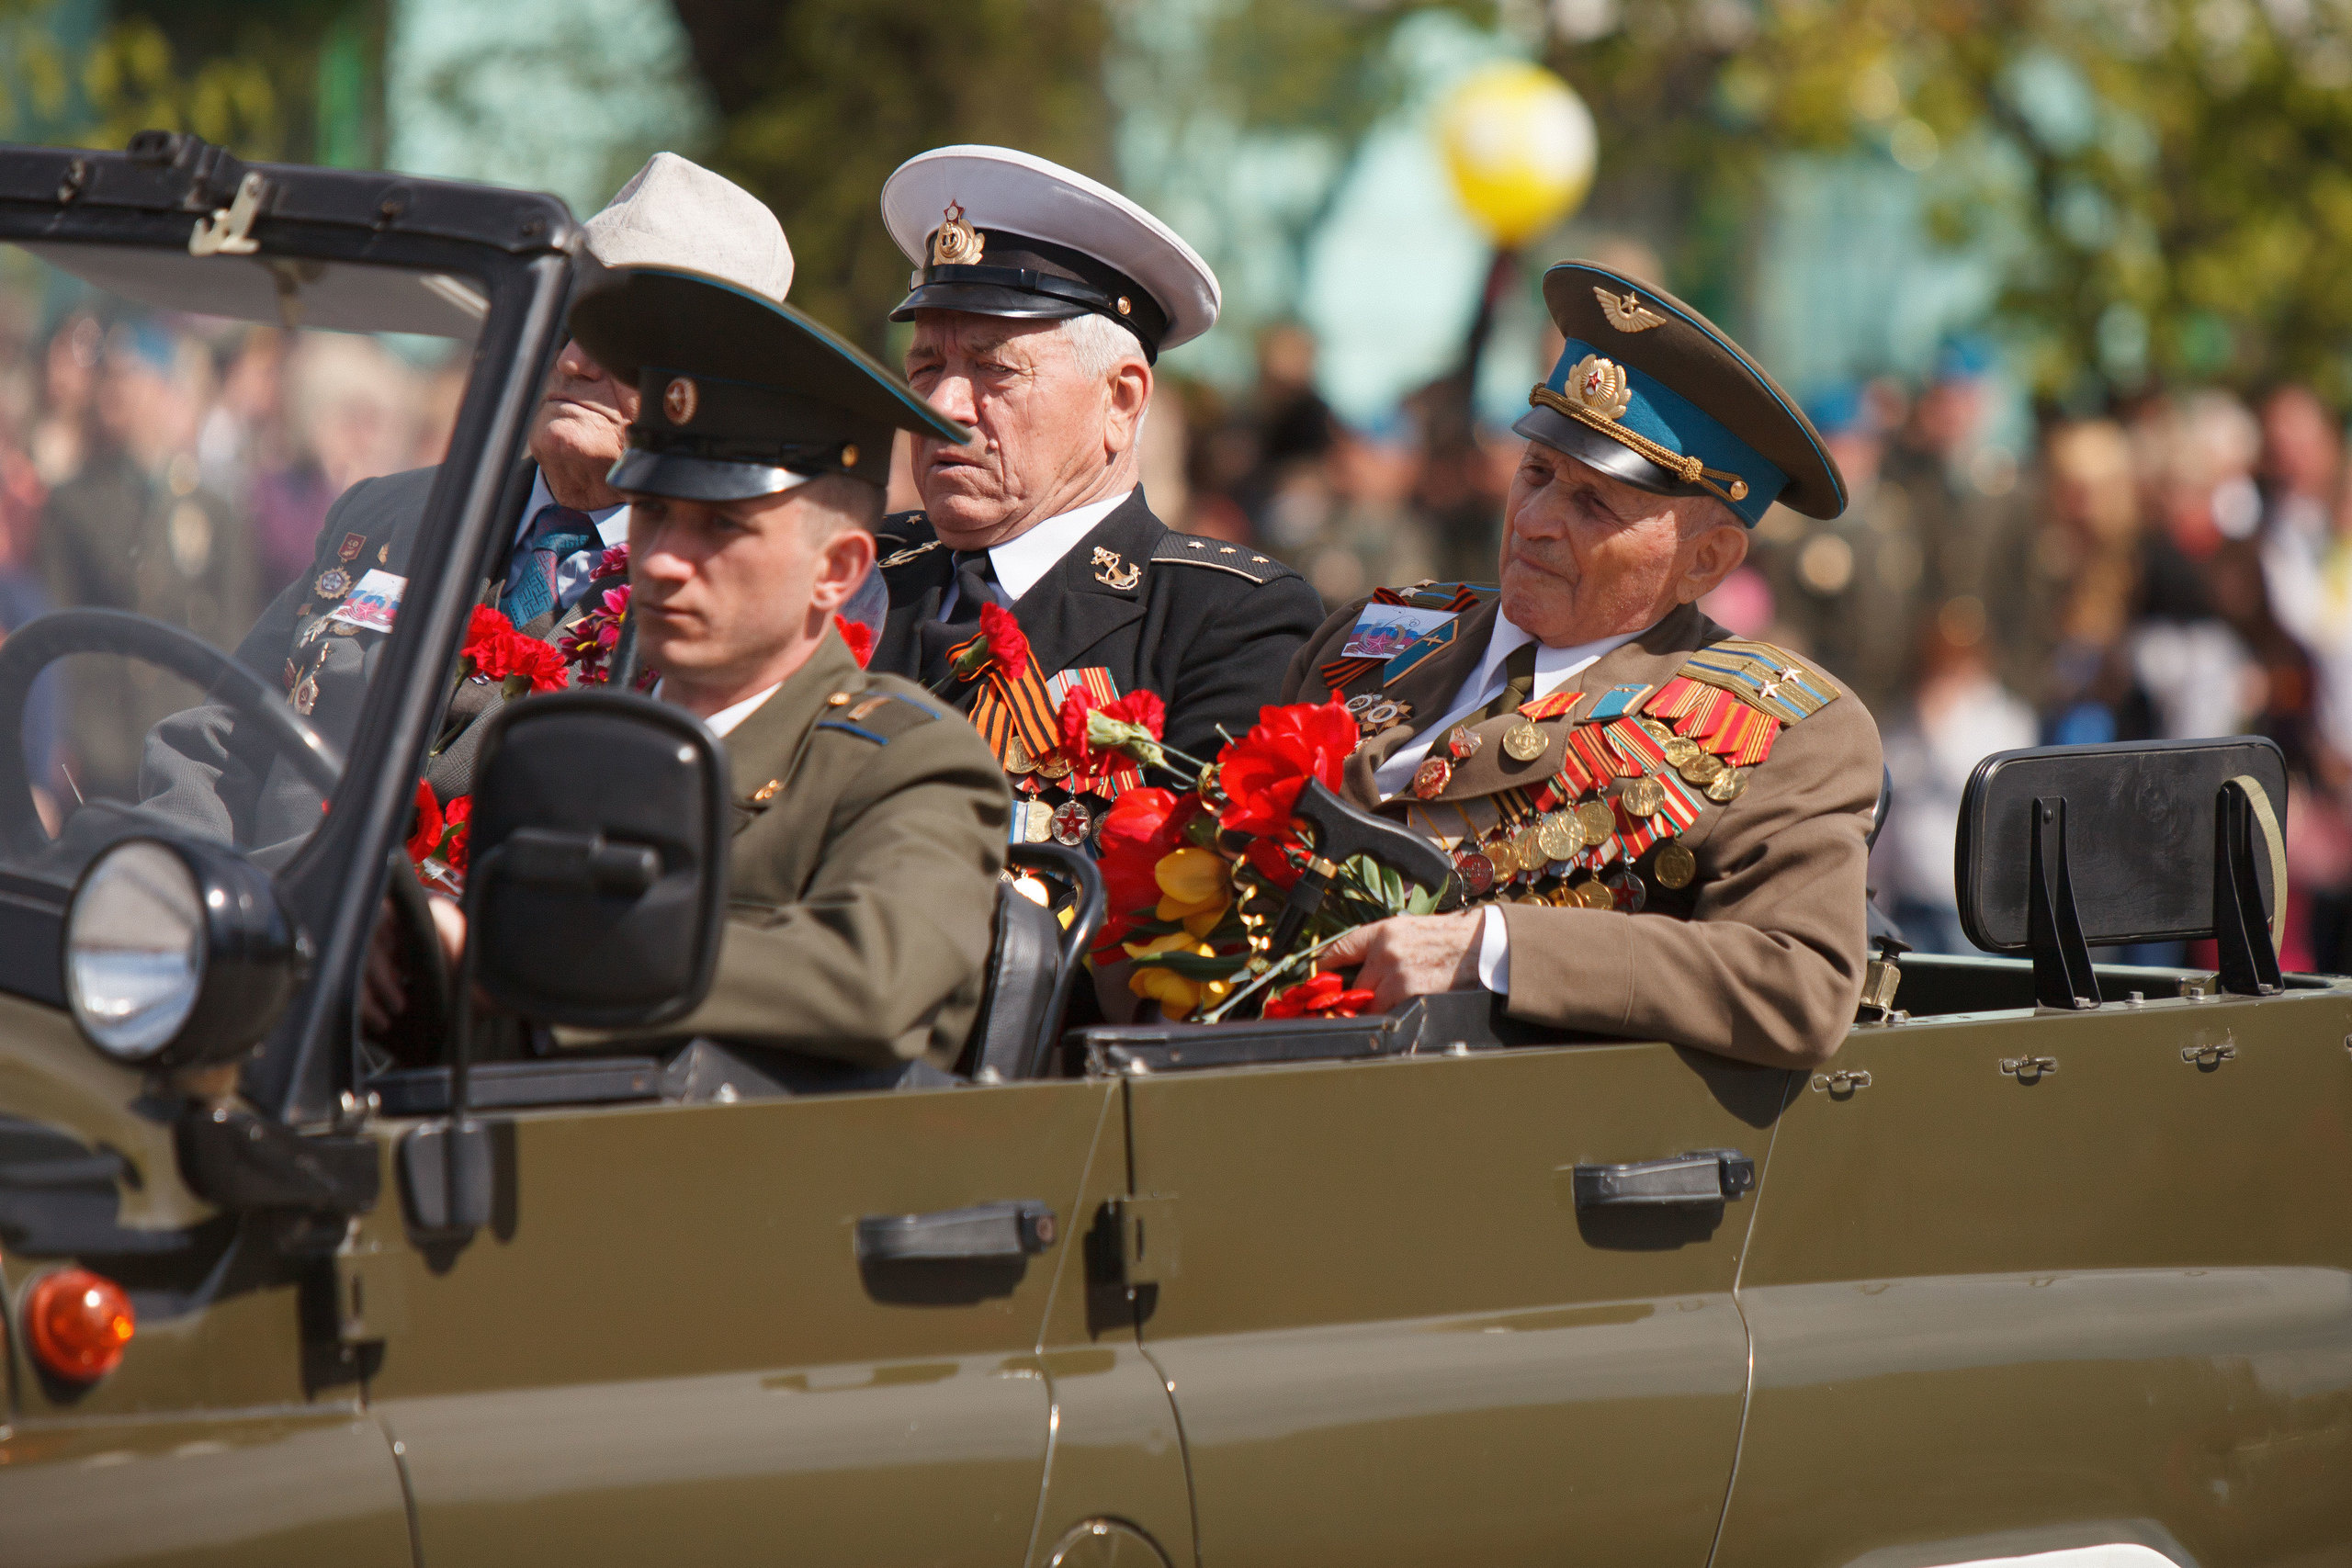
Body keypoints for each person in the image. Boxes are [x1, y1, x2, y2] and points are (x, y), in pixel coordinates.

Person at [375, 265, 1008, 1073]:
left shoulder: (908, 760)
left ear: (837, 572)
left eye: (722, 526)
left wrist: (520, 954)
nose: (665, 561)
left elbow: (872, 978)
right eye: (653, 512)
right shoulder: (572, 740)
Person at [1290, 262, 1883, 1068]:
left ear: (1707, 560)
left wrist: (1495, 948)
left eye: (1594, 503)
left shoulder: (1786, 728)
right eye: (1536, 472)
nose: (1535, 521)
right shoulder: (1380, 631)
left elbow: (1800, 982)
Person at [137, 152, 795, 857]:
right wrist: (186, 907)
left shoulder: (724, 601)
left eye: (631, 341)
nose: (577, 360)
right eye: (573, 320)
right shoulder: (388, 514)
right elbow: (221, 739)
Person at [868, 145, 1323, 849]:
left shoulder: (1228, 618)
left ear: (1120, 399)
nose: (946, 403)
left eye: (993, 367)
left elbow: (1183, 917)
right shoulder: (857, 569)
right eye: (925, 365)